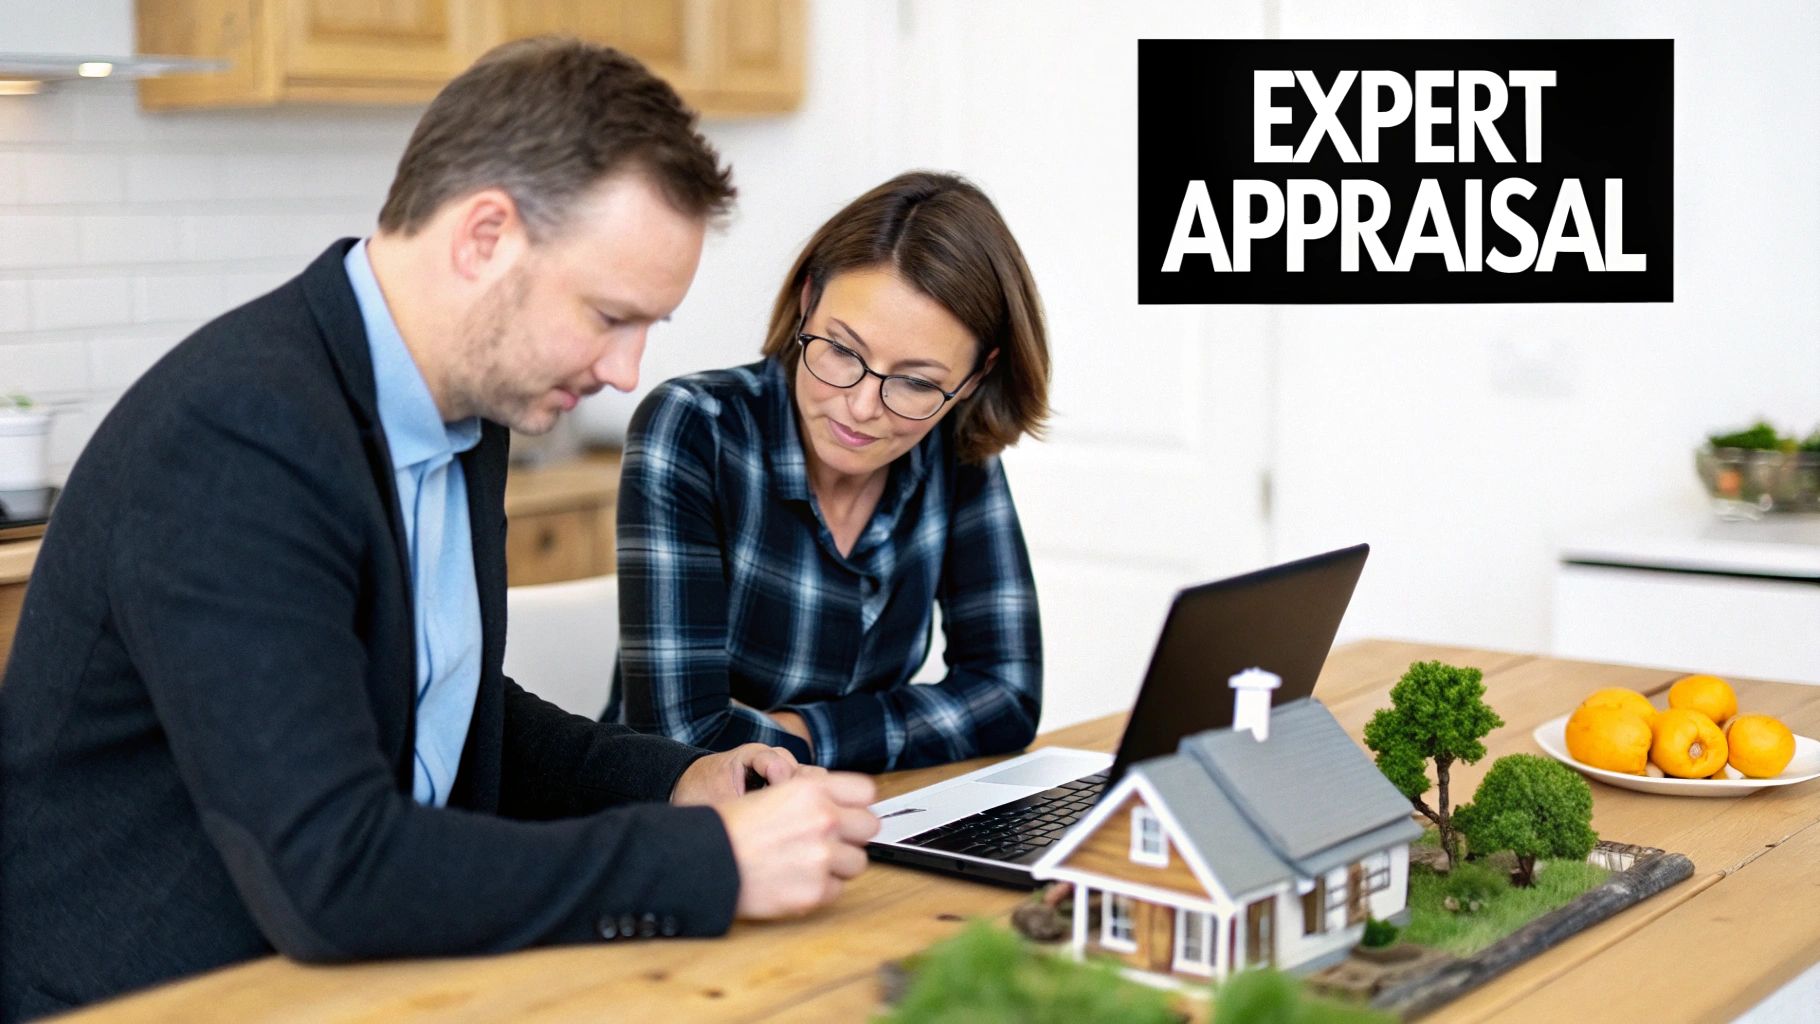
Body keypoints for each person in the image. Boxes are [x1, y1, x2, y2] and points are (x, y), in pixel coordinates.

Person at [0, 38, 877, 1022]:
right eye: (606, 315)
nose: (626, 370)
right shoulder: (240, 438)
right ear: (483, 238)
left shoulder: (463, 405)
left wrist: (672, 780)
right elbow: (330, 873)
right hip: (151, 997)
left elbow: (432, 698)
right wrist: (705, 863)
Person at [610, 172, 1050, 773]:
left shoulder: (953, 445)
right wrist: (875, 729)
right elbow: (679, 734)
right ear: (807, 299)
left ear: (974, 377)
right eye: (842, 351)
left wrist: (801, 738)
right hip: (686, 832)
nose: (863, 407)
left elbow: (1008, 695)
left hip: (856, 814)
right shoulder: (697, 428)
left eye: (917, 382)